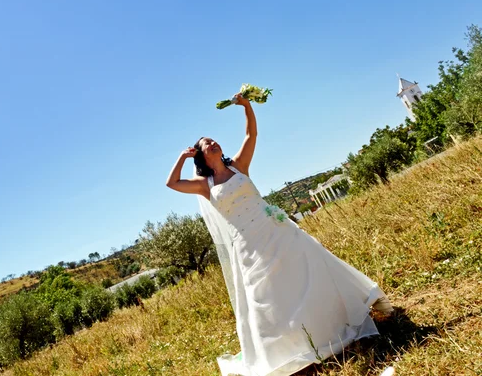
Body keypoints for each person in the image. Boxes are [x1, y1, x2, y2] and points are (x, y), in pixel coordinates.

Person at [165, 94, 393, 376]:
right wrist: (182, 157)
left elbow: (251, 133)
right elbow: (171, 182)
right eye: (206, 144)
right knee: (267, 295)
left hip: (273, 228)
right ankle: (288, 349)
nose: (212, 143)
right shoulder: (204, 185)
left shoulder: (239, 165)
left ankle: (333, 325)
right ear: (201, 155)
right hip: (247, 242)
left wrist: (246, 106)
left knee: (308, 269)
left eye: (213, 140)